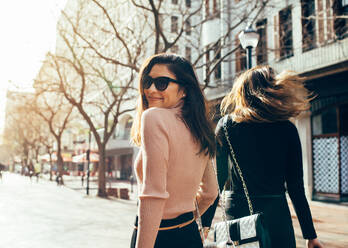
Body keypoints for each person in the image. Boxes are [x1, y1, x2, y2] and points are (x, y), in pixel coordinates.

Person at [202, 65, 324, 248]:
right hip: (276, 217)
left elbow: (218, 180)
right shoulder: (287, 128)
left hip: (238, 215)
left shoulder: (226, 126)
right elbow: (296, 187)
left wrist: (205, 224)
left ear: (241, 92)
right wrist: (310, 235)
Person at [130, 53, 218, 248]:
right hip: (188, 235)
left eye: (162, 83)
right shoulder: (200, 128)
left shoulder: (153, 118)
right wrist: (184, 220)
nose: (150, 89)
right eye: (147, 81)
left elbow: (153, 194)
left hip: (156, 238)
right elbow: (210, 193)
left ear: (184, 90)